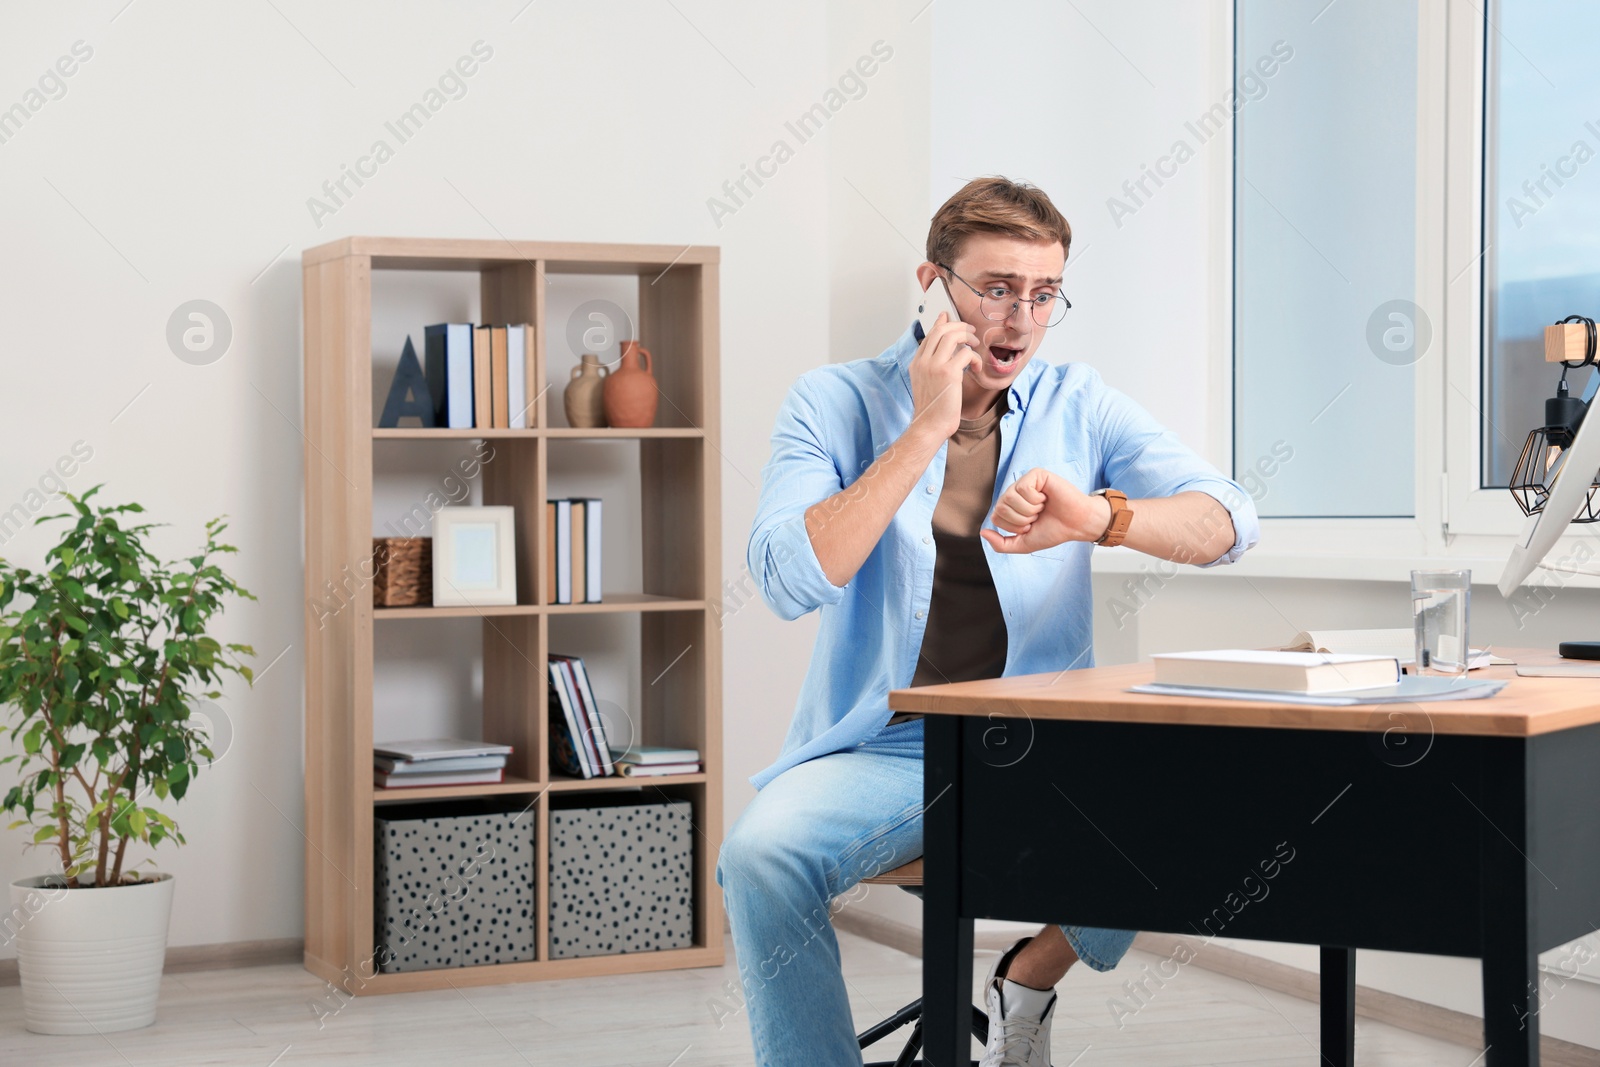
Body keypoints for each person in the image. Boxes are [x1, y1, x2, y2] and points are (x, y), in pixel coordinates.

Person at [718, 176, 1260, 1067]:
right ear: (933, 284)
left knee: (1208, 786)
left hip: (1046, 739)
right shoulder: (832, 401)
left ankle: (1030, 973)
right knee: (762, 857)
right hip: (889, 748)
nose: (1020, 318)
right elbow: (788, 578)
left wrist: (1099, 517)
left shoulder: (1078, 402)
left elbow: (1231, 519)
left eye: (1044, 295)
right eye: (998, 288)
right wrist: (927, 428)